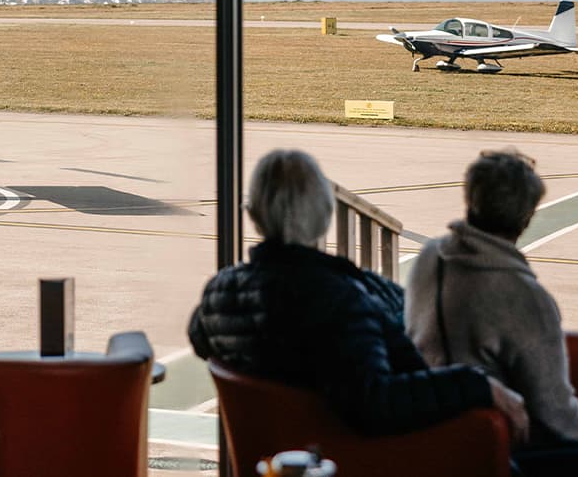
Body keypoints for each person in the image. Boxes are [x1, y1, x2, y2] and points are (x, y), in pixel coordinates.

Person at [189, 148, 530, 439]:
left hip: (288, 456)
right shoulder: (338, 301)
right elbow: (376, 402)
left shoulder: (219, 295)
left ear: (253, 216)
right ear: (325, 215)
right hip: (392, 453)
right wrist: (477, 386)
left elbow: (201, 337)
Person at [407, 149, 578, 476]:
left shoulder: (429, 257)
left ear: (470, 199)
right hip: (501, 440)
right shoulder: (524, 297)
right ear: (526, 217)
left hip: (432, 423)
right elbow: (555, 412)